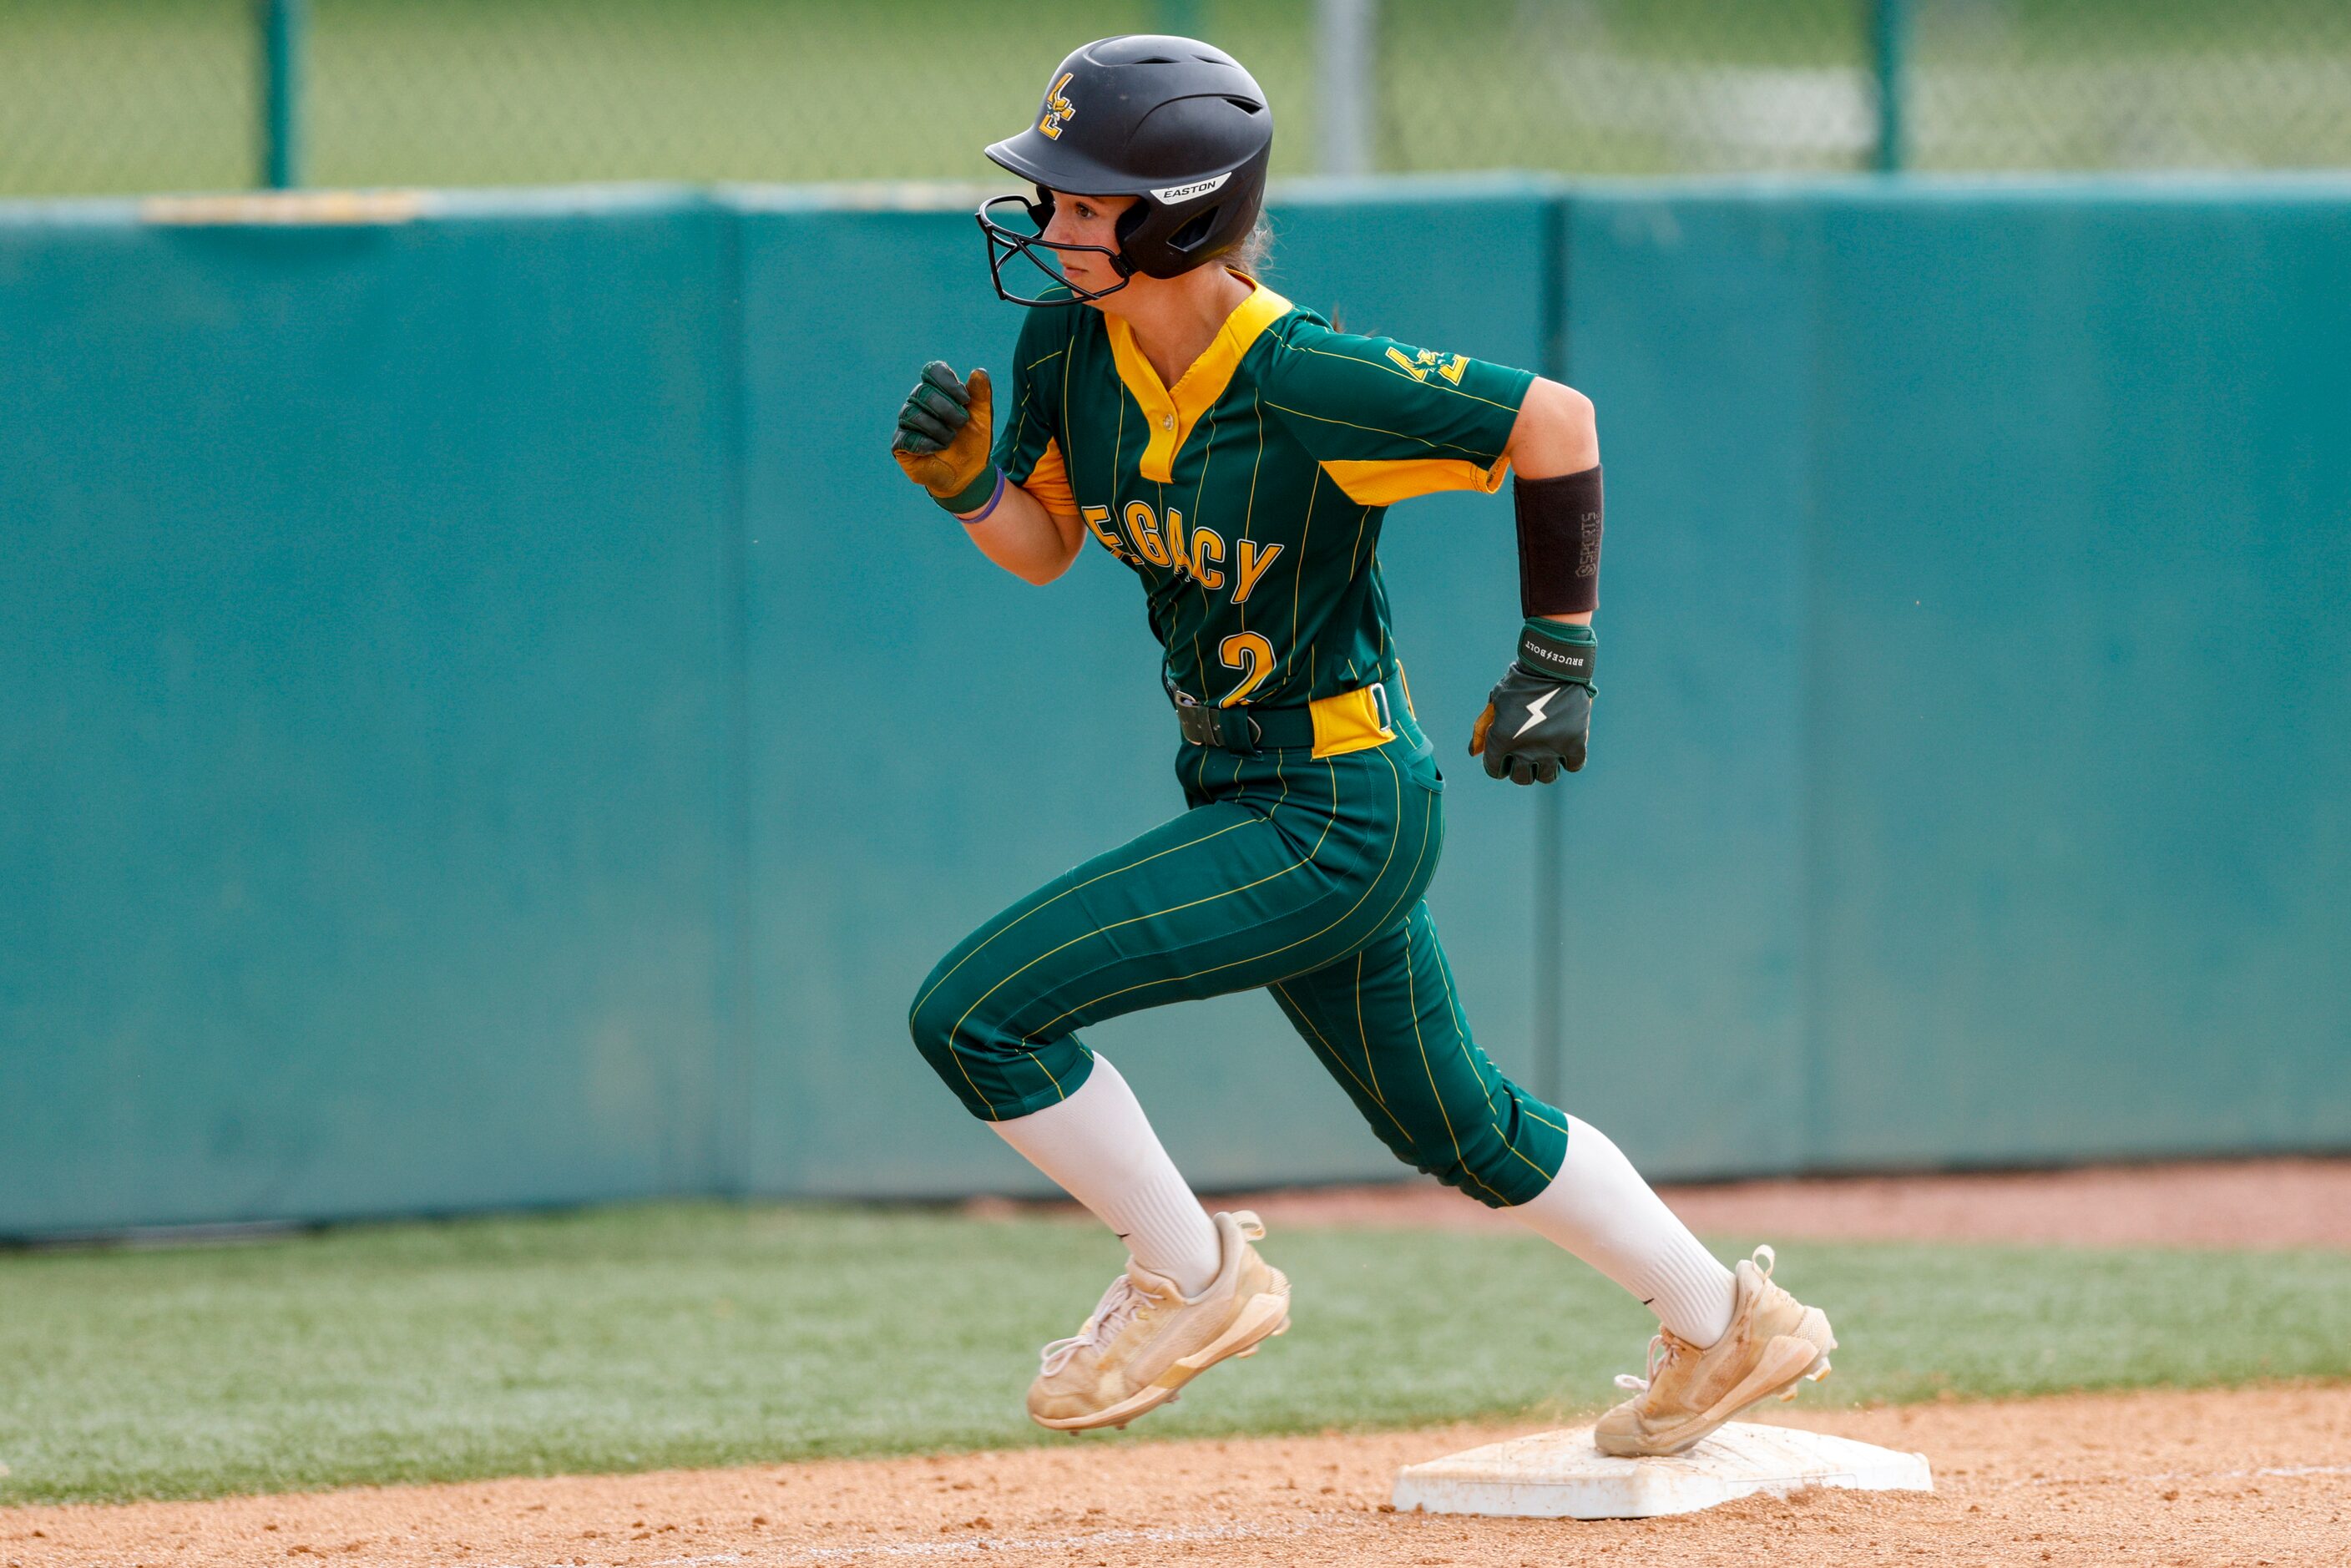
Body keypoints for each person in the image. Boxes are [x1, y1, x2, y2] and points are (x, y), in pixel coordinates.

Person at [890, 34, 1834, 1456]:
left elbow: (1553, 423)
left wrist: (1556, 657)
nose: (1053, 223)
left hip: (1333, 810)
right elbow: (1048, 548)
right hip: (1247, 783)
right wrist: (973, 491)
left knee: (976, 1012)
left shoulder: (1305, 375)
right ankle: (1727, 1324)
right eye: (1058, 198)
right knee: (1462, 1126)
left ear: (1181, 214)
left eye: (1086, 203)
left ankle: (1192, 1277)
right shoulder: (1066, 345)